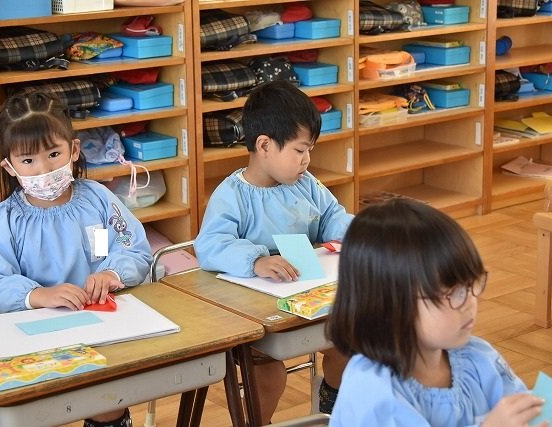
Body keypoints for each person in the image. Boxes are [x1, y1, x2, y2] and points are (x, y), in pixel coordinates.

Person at [0, 92, 152, 427]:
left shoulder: (99, 200)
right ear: (9, 167)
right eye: (28, 161)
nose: (44, 168)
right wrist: (38, 295)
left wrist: (112, 273)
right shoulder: (3, 221)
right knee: (38, 411)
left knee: (108, 400)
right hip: (33, 342)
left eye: (54, 154)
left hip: (102, 330)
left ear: (74, 150)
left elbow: (133, 248)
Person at [194, 80, 354, 423]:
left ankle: (331, 411)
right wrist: (255, 260)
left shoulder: (306, 184)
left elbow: (332, 217)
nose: (307, 160)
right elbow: (210, 246)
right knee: (269, 377)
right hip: (254, 316)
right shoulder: (232, 195)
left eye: (309, 150)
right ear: (264, 145)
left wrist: (363, 233)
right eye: (299, 150)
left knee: (349, 346)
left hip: (307, 301)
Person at [326, 198, 547, 427]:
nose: (471, 301)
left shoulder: (478, 357)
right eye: (454, 292)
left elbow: (523, 412)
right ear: (389, 306)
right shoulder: (372, 389)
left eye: (472, 284)